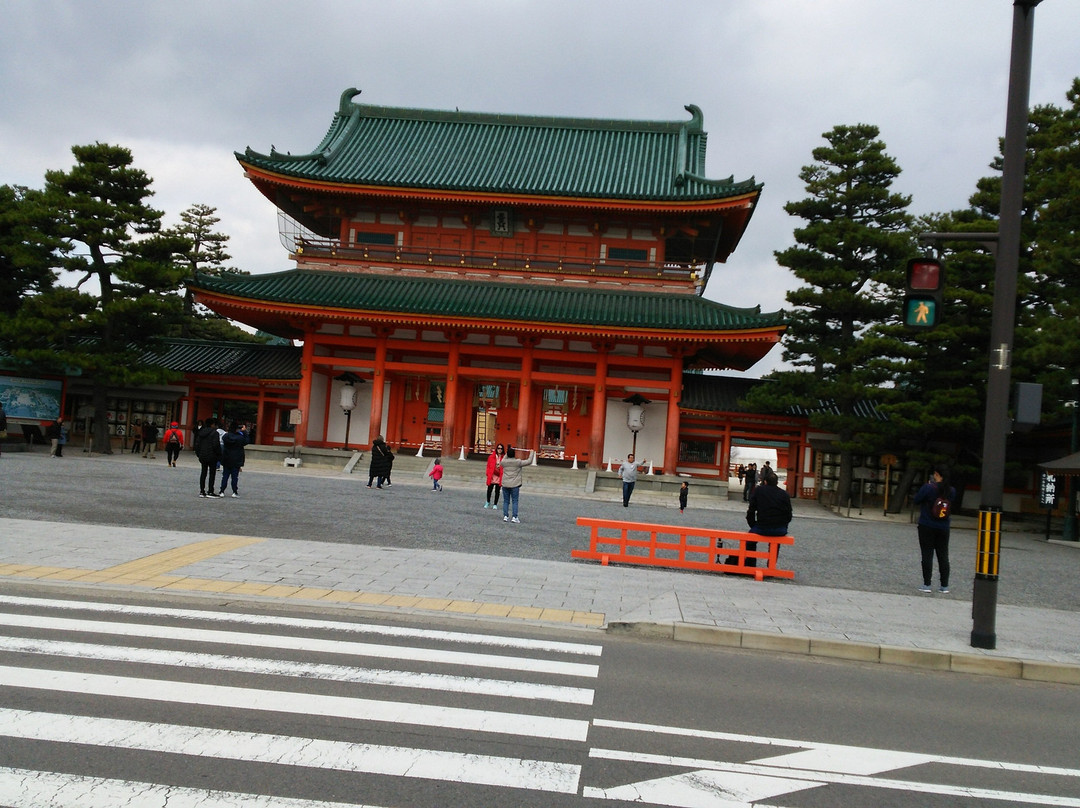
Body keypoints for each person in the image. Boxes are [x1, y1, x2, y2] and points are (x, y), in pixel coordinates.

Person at [728, 468, 792, 568]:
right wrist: (784, 526)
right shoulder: (784, 494)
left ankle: (751, 562)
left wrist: (753, 524)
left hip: (762, 526)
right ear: (776, 482)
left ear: (765, 481)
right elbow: (789, 514)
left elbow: (751, 510)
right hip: (780, 528)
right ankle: (771, 565)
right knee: (776, 541)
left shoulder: (759, 491)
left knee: (750, 539)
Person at [913, 465, 955, 594]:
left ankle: (927, 584)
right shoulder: (952, 490)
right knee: (943, 555)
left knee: (927, 554)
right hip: (943, 526)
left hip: (927, 524)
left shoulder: (928, 488)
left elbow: (916, 500)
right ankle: (944, 585)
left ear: (936, 474)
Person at [498, 446, 535, 523]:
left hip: (505, 484)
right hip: (515, 484)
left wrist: (508, 451)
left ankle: (505, 516)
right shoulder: (518, 462)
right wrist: (531, 453)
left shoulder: (503, 462)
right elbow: (529, 461)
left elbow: (504, 458)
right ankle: (514, 517)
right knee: (515, 501)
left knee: (506, 501)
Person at [218, 421, 249, 498]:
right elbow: (247, 441)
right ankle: (234, 491)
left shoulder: (226, 436)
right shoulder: (240, 438)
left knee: (225, 476)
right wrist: (244, 431)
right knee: (235, 477)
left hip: (227, 458)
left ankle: (222, 491)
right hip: (236, 458)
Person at [195, 418, 223, 498]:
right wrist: (219, 455)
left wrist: (199, 454)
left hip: (203, 455)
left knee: (203, 473)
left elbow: (197, 445)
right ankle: (210, 491)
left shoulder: (201, 432)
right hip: (212, 456)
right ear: (212, 424)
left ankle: (202, 491)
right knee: (212, 474)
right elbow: (216, 445)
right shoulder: (215, 433)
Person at [484, 444, 505, 509]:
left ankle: (495, 504)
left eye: (501, 448)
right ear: (496, 449)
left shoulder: (504, 458)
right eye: (498, 448)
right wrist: (487, 473)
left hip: (499, 476)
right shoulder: (491, 457)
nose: (500, 450)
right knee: (489, 490)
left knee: (497, 491)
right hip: (492, 475)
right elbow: (488, 466)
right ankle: (487, 501)